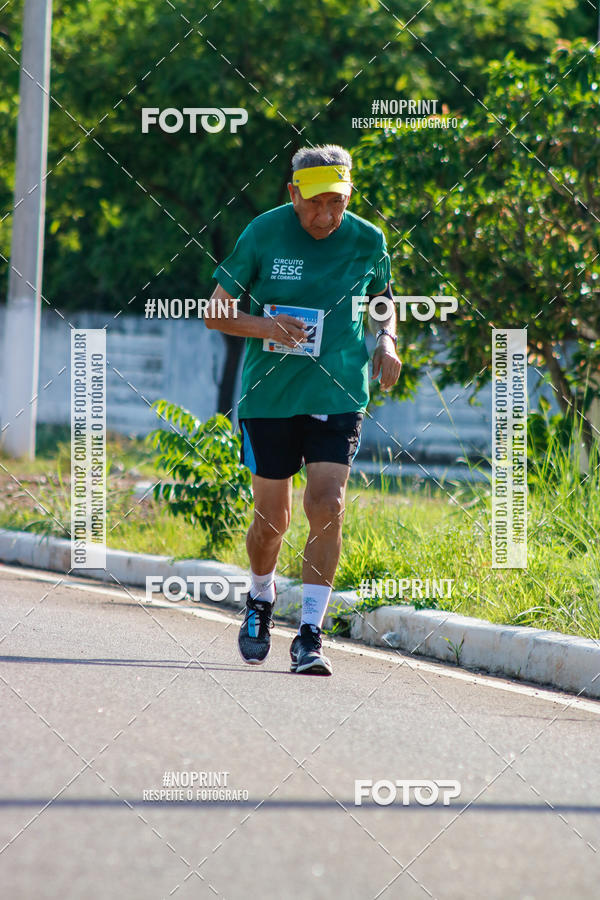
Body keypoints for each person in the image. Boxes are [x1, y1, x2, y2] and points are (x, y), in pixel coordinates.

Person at [205, 144, 402, 675]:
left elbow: (383, 302)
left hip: (338, 394)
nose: (326, 216)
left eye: (337, 202)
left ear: (349, 196)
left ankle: (311, 632)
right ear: (293, 194)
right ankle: (260, 598)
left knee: (327, 502)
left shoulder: (368, 239)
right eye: (315, 203)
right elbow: (216, 312)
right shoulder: (264, 233)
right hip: (270, 398)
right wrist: (267, 327)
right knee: (273, 520)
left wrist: (386, 342)